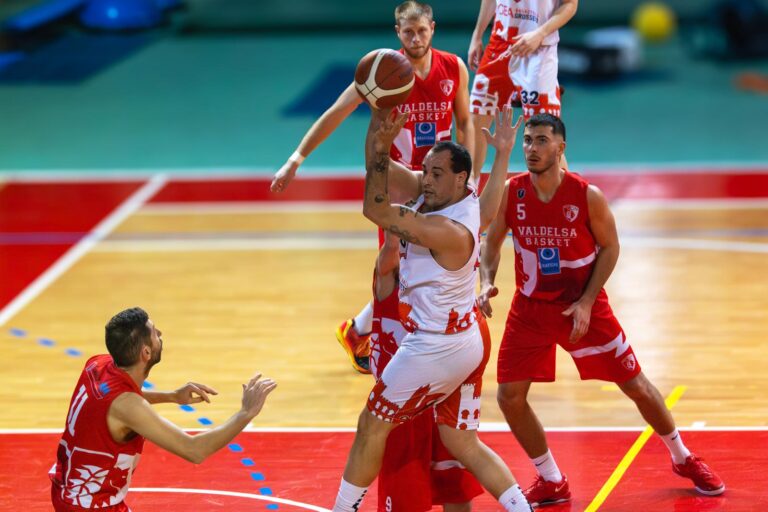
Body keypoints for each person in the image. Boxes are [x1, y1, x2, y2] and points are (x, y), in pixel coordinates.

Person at [478, 114, 725, 507]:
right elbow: (490, 244)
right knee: (509, 397)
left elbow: (610, 248)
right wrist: (486, 280)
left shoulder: (586, 195)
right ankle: (551, 479)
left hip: (582, 305)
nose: (531, 149)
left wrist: (588, 301)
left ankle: (683, 457)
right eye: (527, 141)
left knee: (636, 386)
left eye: (541, 141)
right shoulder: (513, 192)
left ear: (561, 148)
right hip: (530, 309)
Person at [332, 104, 531, 512]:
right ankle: (520, 507)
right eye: (425, 170)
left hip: (436, 347)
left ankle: (342, 508)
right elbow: (491, 205)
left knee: (371, 425)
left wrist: (382, 148)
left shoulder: (448, 231)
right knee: (462, 442)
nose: (427, 180)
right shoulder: (465, 199)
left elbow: (375, 209)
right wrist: (504, 155)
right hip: (467, 340)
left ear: (460, 178)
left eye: (436, 174)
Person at [271, 1, 475, 375]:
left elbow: (465, 121)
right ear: (397, 32)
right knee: (394, 262)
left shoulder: (454, 67)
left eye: (422, 31)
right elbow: (335, 111)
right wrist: (296, 158)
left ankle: (362, 329)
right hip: (397, 180)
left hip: (439, 183)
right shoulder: (384, 71)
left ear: (433, 28)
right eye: (408, 32)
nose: (415, 38)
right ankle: (372, 333)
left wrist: (469, 174)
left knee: (432, 262)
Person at [49, 307, 277, 511]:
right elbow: (194, 450)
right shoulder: (127, 405)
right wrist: (245, 413)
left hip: (66, 491)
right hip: (91, 506)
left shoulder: (98, 365)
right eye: (155, 333)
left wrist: (172, 396)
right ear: (146, 353)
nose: (161, 335)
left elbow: (113, 405)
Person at [370, 231, 483, 512]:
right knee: (406, 495)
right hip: (402, 407)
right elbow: (389, 254)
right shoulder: (388, 279)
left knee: (455, 486)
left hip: (440, 395)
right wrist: (400, 227)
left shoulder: (441, 293)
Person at [468, 0, 577, 174]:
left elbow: (570, 4)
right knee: (475, 125)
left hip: (539, 48)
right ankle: (467, 194)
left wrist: (540, 33)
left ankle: (563, 196)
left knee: (545, 133)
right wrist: (477, 35)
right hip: (499, 44)